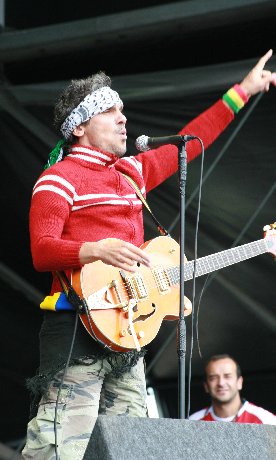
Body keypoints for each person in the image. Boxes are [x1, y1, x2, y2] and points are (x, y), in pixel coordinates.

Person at [22, 49, 276, 459]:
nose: (124, 118)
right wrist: (93, 250)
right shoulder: (57, 179)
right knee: (58, 449)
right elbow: (42, 250)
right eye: (111, 111)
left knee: (132, 447)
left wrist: (242, 92)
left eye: (123, 110)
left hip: (128, 333)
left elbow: (190, 143)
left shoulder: (131, 173)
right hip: (75, 328)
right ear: (81, 125)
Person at [189, 354, 276, 424]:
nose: (221, 383)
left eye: (227, 376)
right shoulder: (192, 423)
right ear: (206, 386)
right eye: (213, 378)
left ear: (239, 382)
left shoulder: (266, 421)